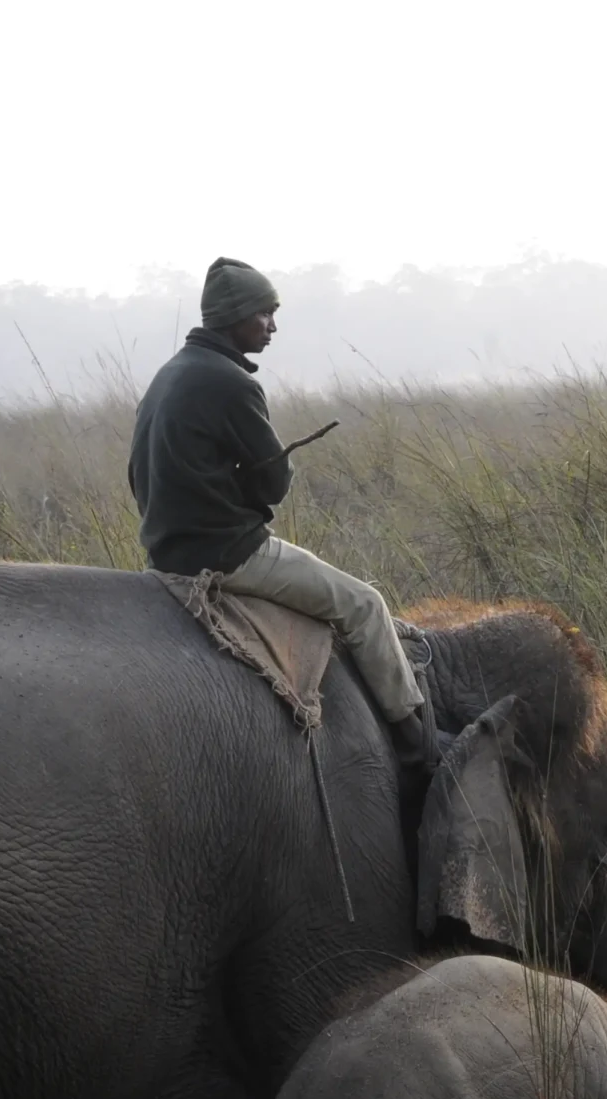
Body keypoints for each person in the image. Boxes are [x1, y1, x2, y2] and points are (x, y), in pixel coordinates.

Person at [129, 258, 439, 771]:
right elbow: (274, 484)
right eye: (265, 314)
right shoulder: (232, 383)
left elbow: (139, 475)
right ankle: (415, 741)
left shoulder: (169, 375)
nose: (273, 327)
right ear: (235, 316)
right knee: (363, 604)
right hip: (227, 554)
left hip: (165, 552)